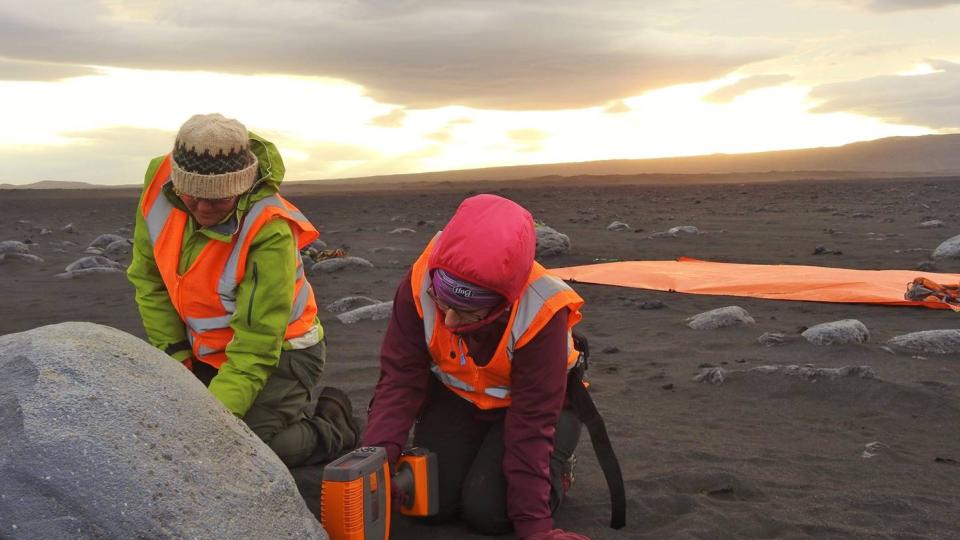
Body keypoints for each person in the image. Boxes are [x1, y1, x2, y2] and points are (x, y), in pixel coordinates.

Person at [361, 194, 622, 540]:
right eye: (442, 303)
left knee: (490, 514)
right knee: (429, 504)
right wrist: (376, 461)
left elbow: (530, 424)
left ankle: (559, 468)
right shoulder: (419, 283)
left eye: (467, 312)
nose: (449, 320)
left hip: (539, 411)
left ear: (501, 304)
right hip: (461, 400)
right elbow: (399, 379)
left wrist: (537, 530)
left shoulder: (541, 310)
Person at [128, 113, 358, 467]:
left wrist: (212, 423)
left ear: (242, 185)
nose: (204, 209)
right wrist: (175, 355)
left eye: (219, 201)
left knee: (239, 450)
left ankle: (331, 428)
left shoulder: (270, 231)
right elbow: (149, 279)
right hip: (206, 346)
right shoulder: (159, 181)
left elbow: (256, 345)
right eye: (192, 196)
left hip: (283, 352)